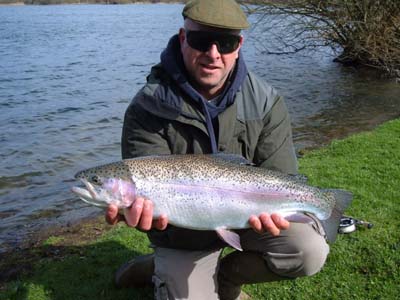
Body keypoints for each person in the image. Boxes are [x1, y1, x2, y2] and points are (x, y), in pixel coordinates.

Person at [106, 1, 329, 299]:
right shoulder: (148, 106)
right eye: (201, 41)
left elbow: (282, 174)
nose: (213, 54)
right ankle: (157, 267)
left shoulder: (266, 101)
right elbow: (147, 197)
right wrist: (143, 218)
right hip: (183, 235)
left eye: (225, 43)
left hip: (248, 218)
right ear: (183, 38)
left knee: (309, 250)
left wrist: (275, 210)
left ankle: (222, 276)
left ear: (239, 46)